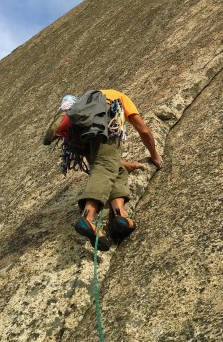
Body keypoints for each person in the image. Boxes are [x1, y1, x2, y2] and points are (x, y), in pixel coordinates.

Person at [43, 89, 163, 251]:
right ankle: (88, 217)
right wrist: (155, 156)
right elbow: (144, 131)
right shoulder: (119, 98)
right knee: (105, 166)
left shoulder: (86, 103)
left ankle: (121, 215)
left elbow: (111, 161)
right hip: (101, 120)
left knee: (116, 169)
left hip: (77, 134)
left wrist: (127, 165)